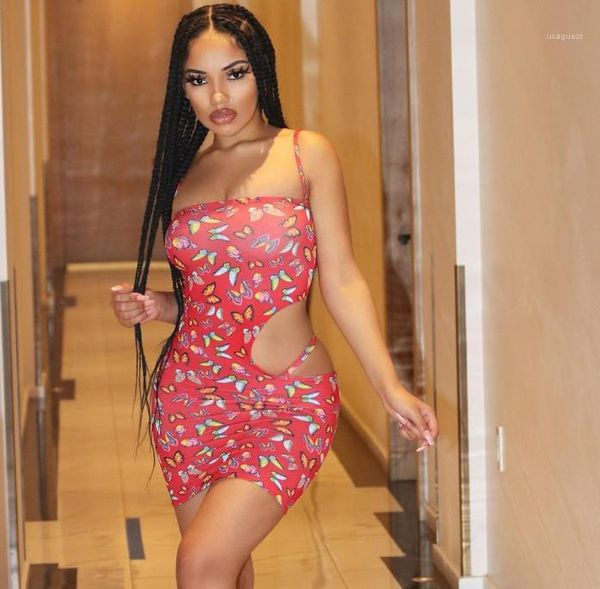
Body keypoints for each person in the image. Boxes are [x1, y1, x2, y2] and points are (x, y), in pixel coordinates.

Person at [110, 3, 438, 587]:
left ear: (261, 70)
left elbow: (341, 279)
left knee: (199, 565)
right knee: (226, 568)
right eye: (198, 79)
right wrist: (160, 305)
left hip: (287, 401)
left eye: (235, 73)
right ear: (181, 88)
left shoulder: (306, 153)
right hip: (189, 401)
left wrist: (388, 384)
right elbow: (212, 293)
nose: (218, 95)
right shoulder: (182, 173)